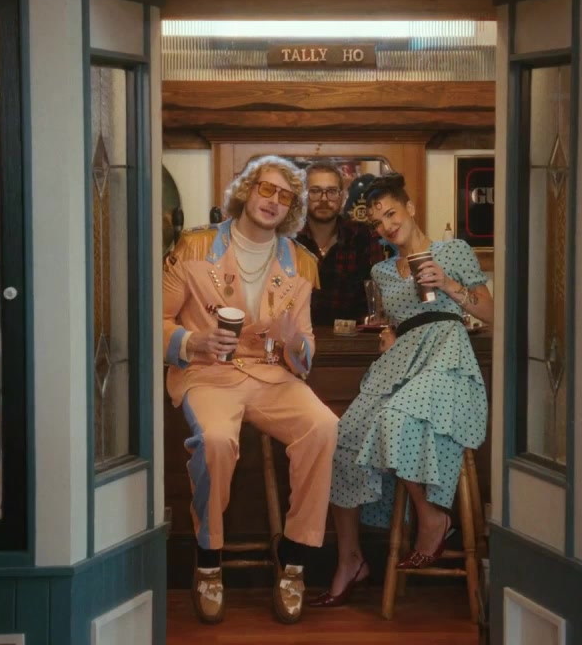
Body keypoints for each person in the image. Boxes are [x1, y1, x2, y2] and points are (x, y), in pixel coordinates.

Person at [162, 155, 339, 625]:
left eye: (285, 196)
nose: (273, 201)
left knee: (324, 427)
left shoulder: (300, 263)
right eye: (266, 189)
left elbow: (305, 347)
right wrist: (192, 341)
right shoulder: (195, 246)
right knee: (216, 441)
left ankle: (295, 560)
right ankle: (208, 561)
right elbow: (155, 319)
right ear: (246, 190)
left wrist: (294, 341)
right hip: (208, 373)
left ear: (291, 209)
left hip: (271, 375)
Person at [307, 172, 492, 608]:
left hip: (445, 353)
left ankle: (431, 518)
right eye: (378, 222)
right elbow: (395, 317)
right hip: (400, 357)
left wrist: (449, 285)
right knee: (341, 439)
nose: (387, 226)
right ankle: (350, 560)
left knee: (396, 416)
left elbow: (491, 312)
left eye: (391, 214)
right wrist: (390, 332)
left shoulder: (453, 250)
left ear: (410, 208)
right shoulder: (382, 270)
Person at [294, 162, 387, 327]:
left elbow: (379, 294)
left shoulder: (364, 237)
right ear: (303, 196)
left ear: (342, 197)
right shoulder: (289, 240)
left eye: (331, 191)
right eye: (315, 191)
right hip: (297, 338)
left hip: (354, 339)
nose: (324, 199)